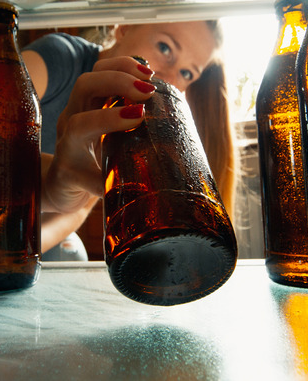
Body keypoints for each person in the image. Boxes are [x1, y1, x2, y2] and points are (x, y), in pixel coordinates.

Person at [24, 21, 237, 260]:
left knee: (73, 255)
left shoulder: (133, 124)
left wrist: (20, 251)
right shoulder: (60, 56)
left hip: (28, 232)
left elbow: (77, 210)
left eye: (186, 73)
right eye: (165, 48)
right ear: (124, 27)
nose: (167, 77)